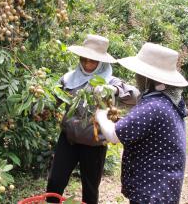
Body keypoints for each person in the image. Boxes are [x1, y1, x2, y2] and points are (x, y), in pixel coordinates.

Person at [46, 34, 139, 203]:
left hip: (94, 143)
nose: (87, 65)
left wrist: (114, 90)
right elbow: (53, 101)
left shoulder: (111, 81)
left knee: (90, 188)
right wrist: (42, 104)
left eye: (92, 61)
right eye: (84, 60)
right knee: (55, 181)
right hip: (69, 140)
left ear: (101, 63)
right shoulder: (68, 78)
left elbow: (135, 96)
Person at [95, 43, 188, 203]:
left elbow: (113, 135)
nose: (137, 77)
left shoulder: (153, 106)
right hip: (164, 188)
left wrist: (99, 114)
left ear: (149, 79)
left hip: (151, 191)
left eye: (140, 74)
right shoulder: (168, 101)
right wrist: (118, 94)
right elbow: (149, 128)